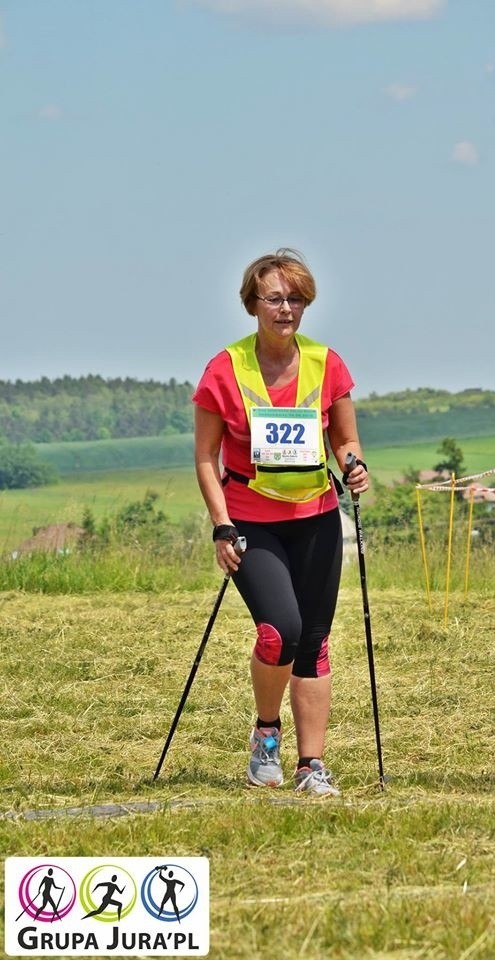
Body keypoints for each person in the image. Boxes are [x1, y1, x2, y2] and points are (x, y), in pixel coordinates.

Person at [192, 248, 368, 797]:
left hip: (316, 516)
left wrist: (354, 465)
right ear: (253, 304)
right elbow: (205, 457)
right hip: (251, 519)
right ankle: (266, 735)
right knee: (280, 630)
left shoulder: (326, 363)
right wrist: (221, 525)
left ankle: (310, 765)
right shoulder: (225, 369)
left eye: (295, 298)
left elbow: (345, 438)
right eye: (274, 298)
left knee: (314, 641)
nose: (285, 308)